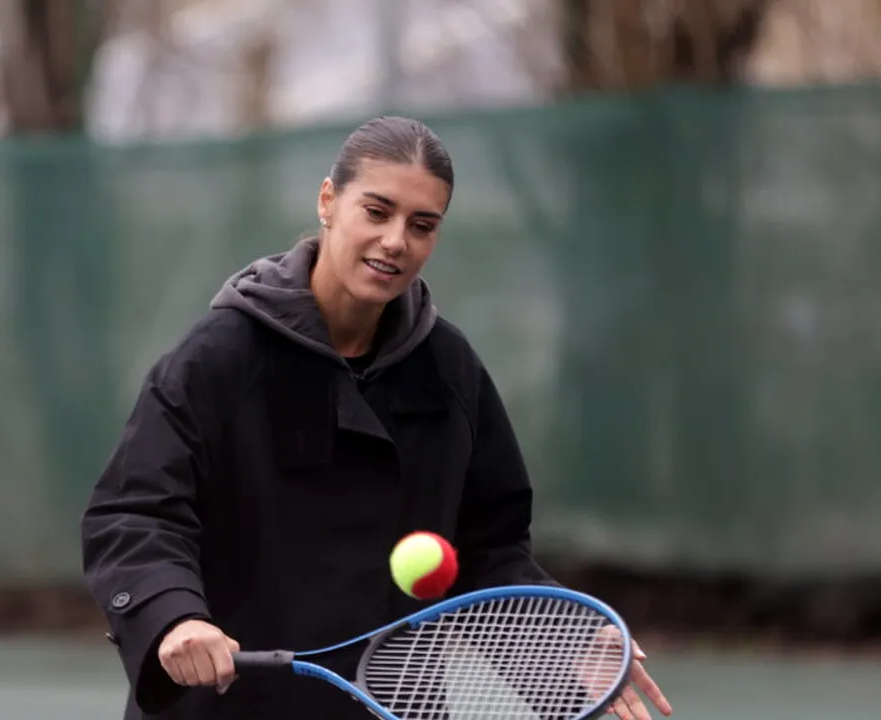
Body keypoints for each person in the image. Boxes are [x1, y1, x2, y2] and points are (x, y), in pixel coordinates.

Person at [81, 116, 672, 720]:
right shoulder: (220, 355)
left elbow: (490, 549)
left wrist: (563, 641)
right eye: (377, 211)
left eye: (422, 225)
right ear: (328, 201)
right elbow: (134, 512)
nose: (396, 241)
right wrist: (174, 616)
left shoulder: (450, 370)